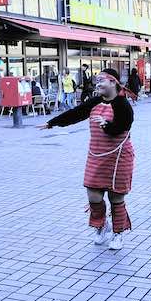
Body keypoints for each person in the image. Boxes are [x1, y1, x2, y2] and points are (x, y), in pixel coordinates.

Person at [39, 68, 134, 251]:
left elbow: (123, 125)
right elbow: (76, 113)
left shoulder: (123, 104)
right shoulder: (94, 102)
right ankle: (101, 226)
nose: (98, 84)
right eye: (97, 81)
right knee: (94, 195)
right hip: (96, 155)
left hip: (119, 157)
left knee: (116, 196)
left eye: (102, 81)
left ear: (113, 83)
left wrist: (106, 125)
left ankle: (118, 233)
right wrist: (53, 123)